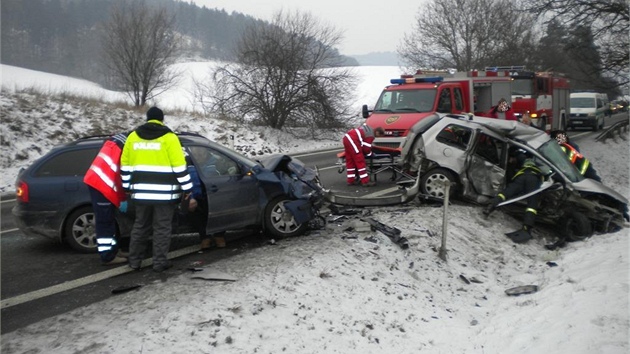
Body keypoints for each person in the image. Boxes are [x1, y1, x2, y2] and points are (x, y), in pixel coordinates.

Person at [120, 107, 193, 273]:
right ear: (162, 119)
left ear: (147, 119)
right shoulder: (169, 138)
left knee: (140, 226)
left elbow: (125, 166)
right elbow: (180, 167)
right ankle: (159, 262)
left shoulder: (132, 137)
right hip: (165, 195)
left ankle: (134, 261)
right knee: (162, 228)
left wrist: (127, 187)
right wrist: (188, 189)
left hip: (141, 194)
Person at [83, 132, 130, 265]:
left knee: (110, 220)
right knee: (105, 222)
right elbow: (118, 177)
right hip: (100, 185)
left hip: (99, 182)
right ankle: (107, 256)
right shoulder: (123, 149)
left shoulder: (116, 142)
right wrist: (122, 198)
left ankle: (114, 250)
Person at [483, 151, 544, 244]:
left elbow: (513, 161)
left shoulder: (522, 157)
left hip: (521, 176)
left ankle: (490, 206)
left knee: (506, 193)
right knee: (532, 205)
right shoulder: (541, 164)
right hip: (533, 180)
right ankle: (526, 228)